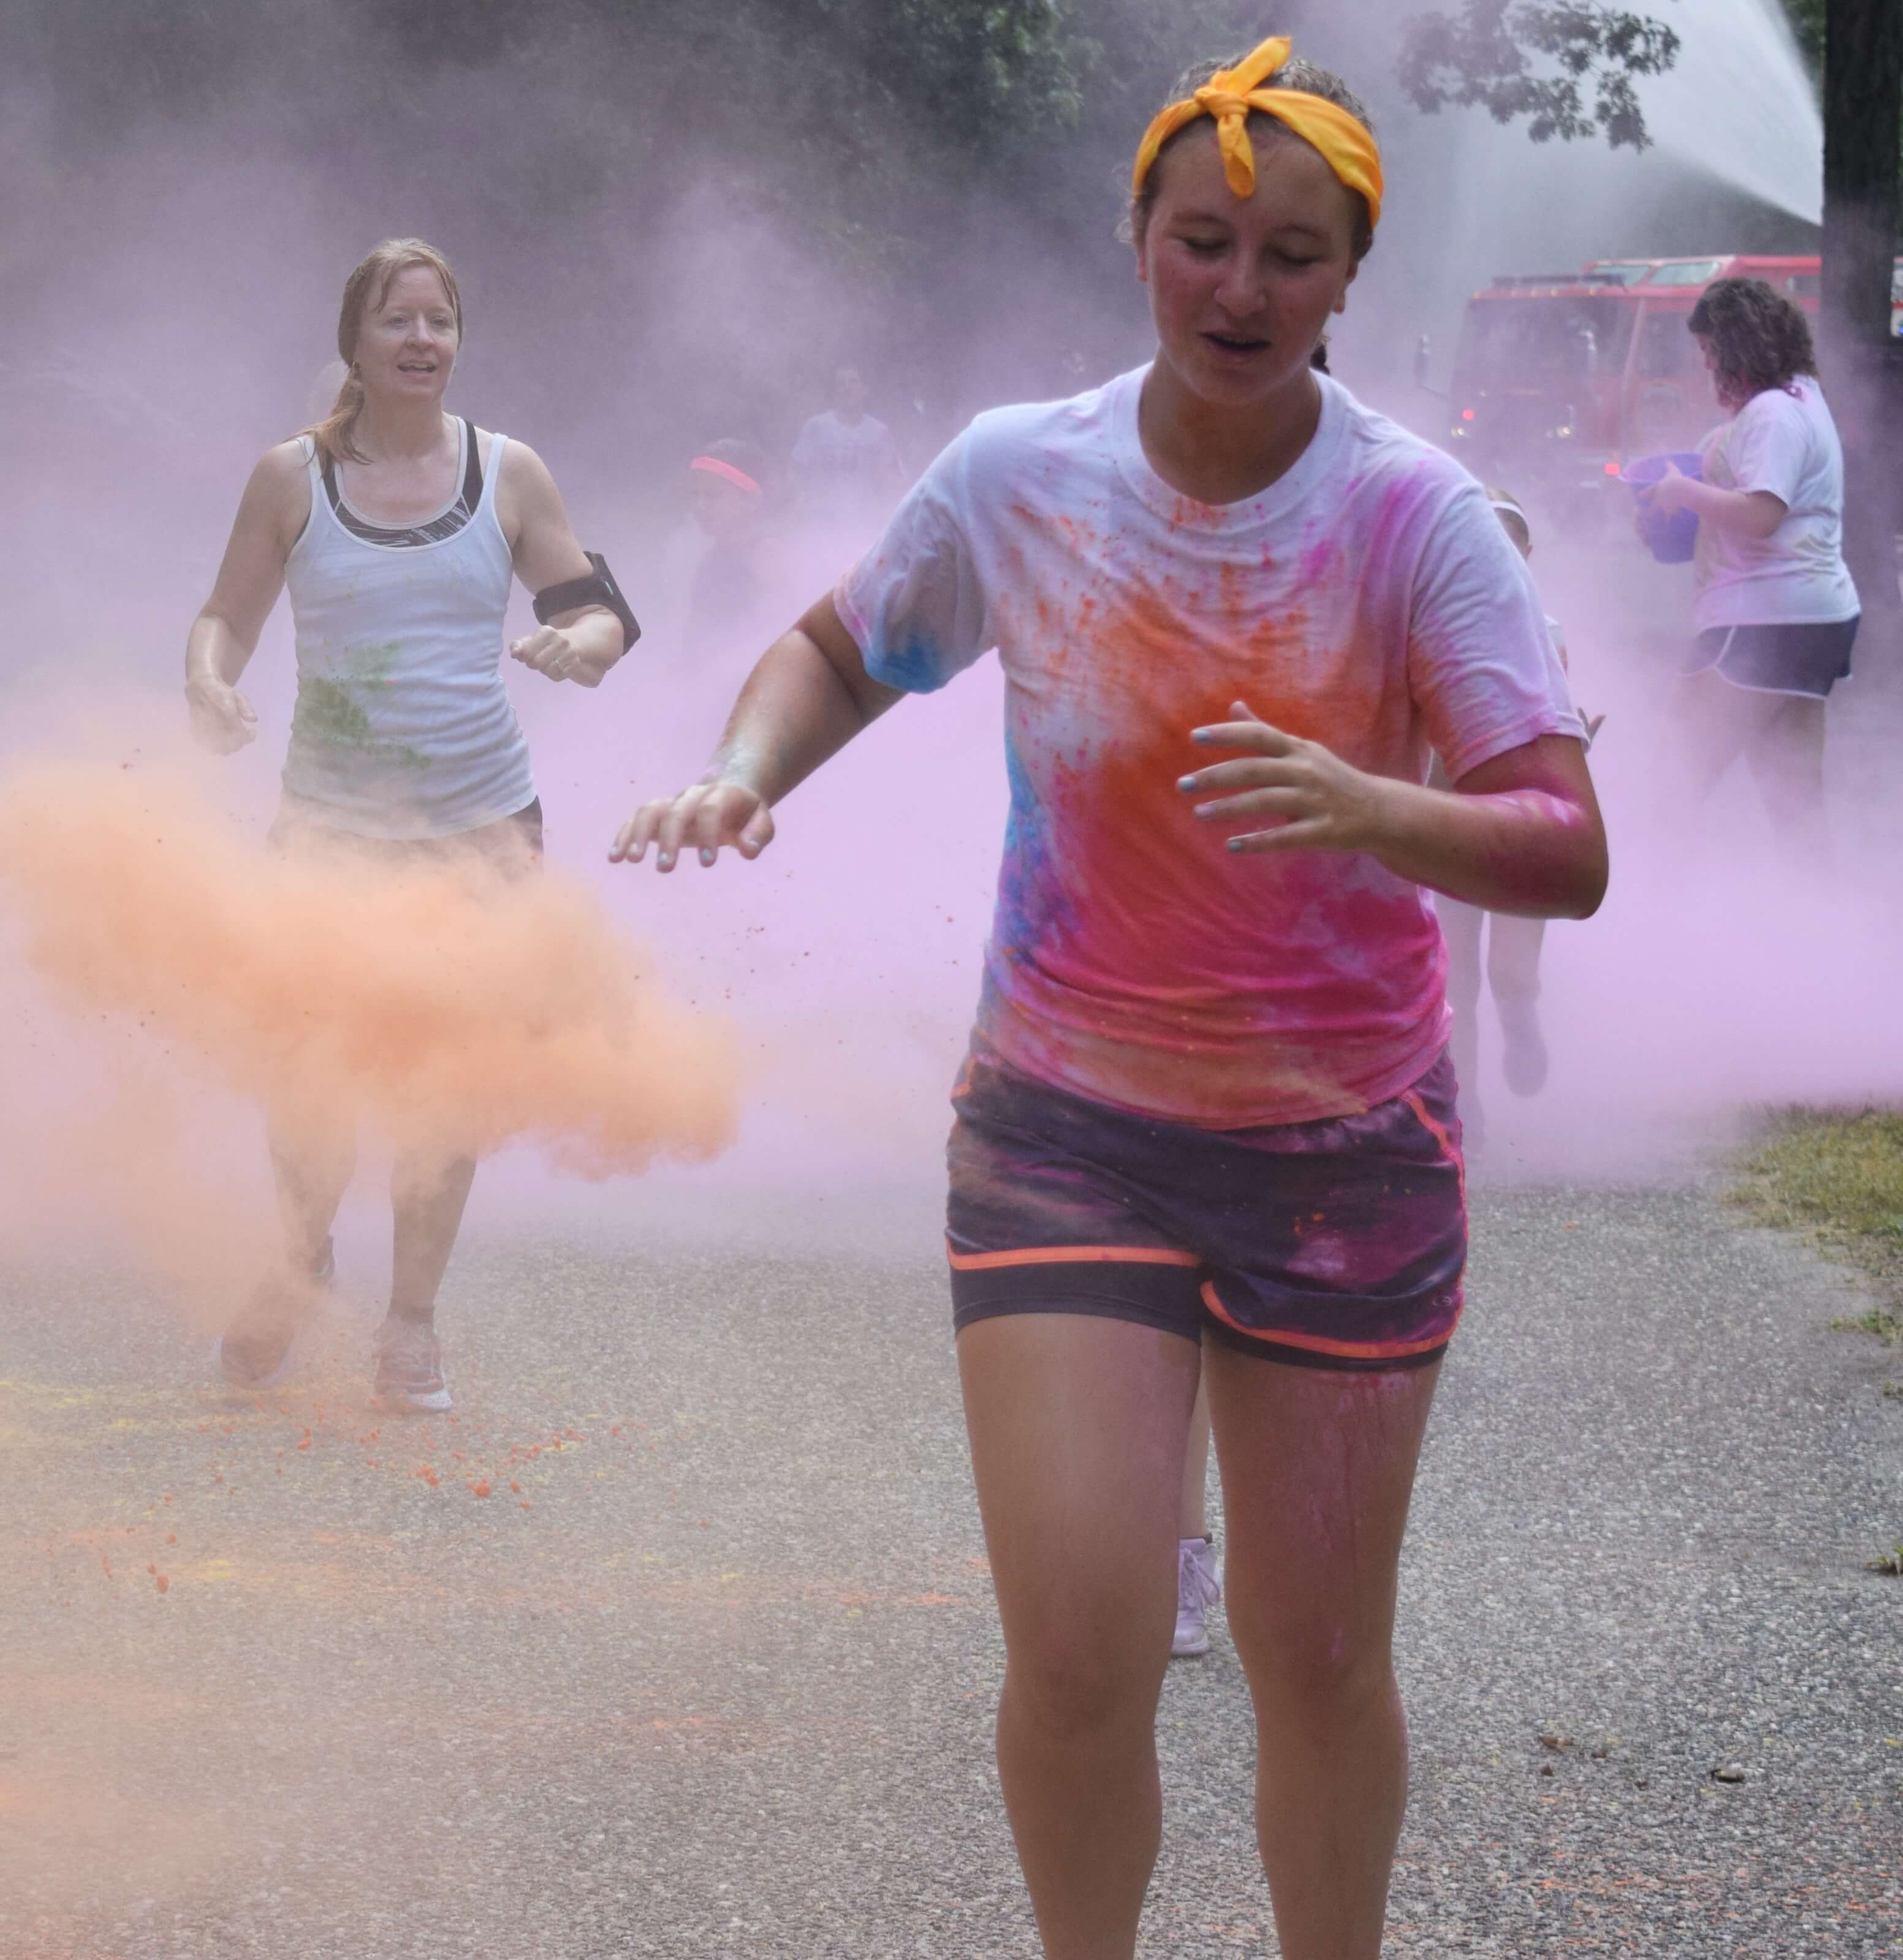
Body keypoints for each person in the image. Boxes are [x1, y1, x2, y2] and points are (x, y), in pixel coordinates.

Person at [612, 36, 1604, 1960]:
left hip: (1342, 1157)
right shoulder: (1020, 473)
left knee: (1314, 1661)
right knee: (1077, 1656)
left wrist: (1372, 805)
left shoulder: (1425, 523)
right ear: (1139, 238)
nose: (1244, 290)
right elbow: (836, 649)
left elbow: (1566, 840)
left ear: (1346, 279)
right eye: (1206, 240)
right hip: (1066, 1133)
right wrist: (747, 767)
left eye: (1293, 256)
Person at [186, 237, 634, 1413]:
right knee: (307, 1084)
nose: (423, 341)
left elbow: (597, 609)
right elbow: (224, 619)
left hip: (479, 832)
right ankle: (295, 1267)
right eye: (399, 320)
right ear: (357, 342)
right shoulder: (291, 478)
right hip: (328, 834)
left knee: (444, 1085)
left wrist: (577, 646)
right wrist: (208, 680)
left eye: (441, 321)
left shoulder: (508, 470)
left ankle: (412, 1328)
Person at [1644, 276, 1858, 859]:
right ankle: (1822, 928)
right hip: (1814, 622)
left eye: (1711, 351)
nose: (1707, 366)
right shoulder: (1801, 397)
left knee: (1671, 787)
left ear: (1738, 345)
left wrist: (1681, 492)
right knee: (1795, 806)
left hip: (1760, 621)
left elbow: (1762, 513)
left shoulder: (1772, 415)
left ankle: (1657, 921)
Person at [1434, 488, 1594, 1151]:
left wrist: (1579, 740)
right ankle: (1465, 1101)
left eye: (1509, 545)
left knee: (1509, 971)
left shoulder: (1545, 631)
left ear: (1527, 556)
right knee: (1454, 976)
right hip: (1447, 815)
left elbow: (1556, 719)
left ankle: (1521, 1013)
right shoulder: (1426, 623)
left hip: (1524, 812)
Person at [788, 364, 906, 539]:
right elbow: (796, 470)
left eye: (853, 382)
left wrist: (889, 510)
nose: (847, 387)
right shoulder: (817, 426)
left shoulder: (880, 432)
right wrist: (799, 502)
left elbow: (891, 479)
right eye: (841, 383)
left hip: (865, 523)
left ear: (865, 390)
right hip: (822, 523)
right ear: (835, 391)